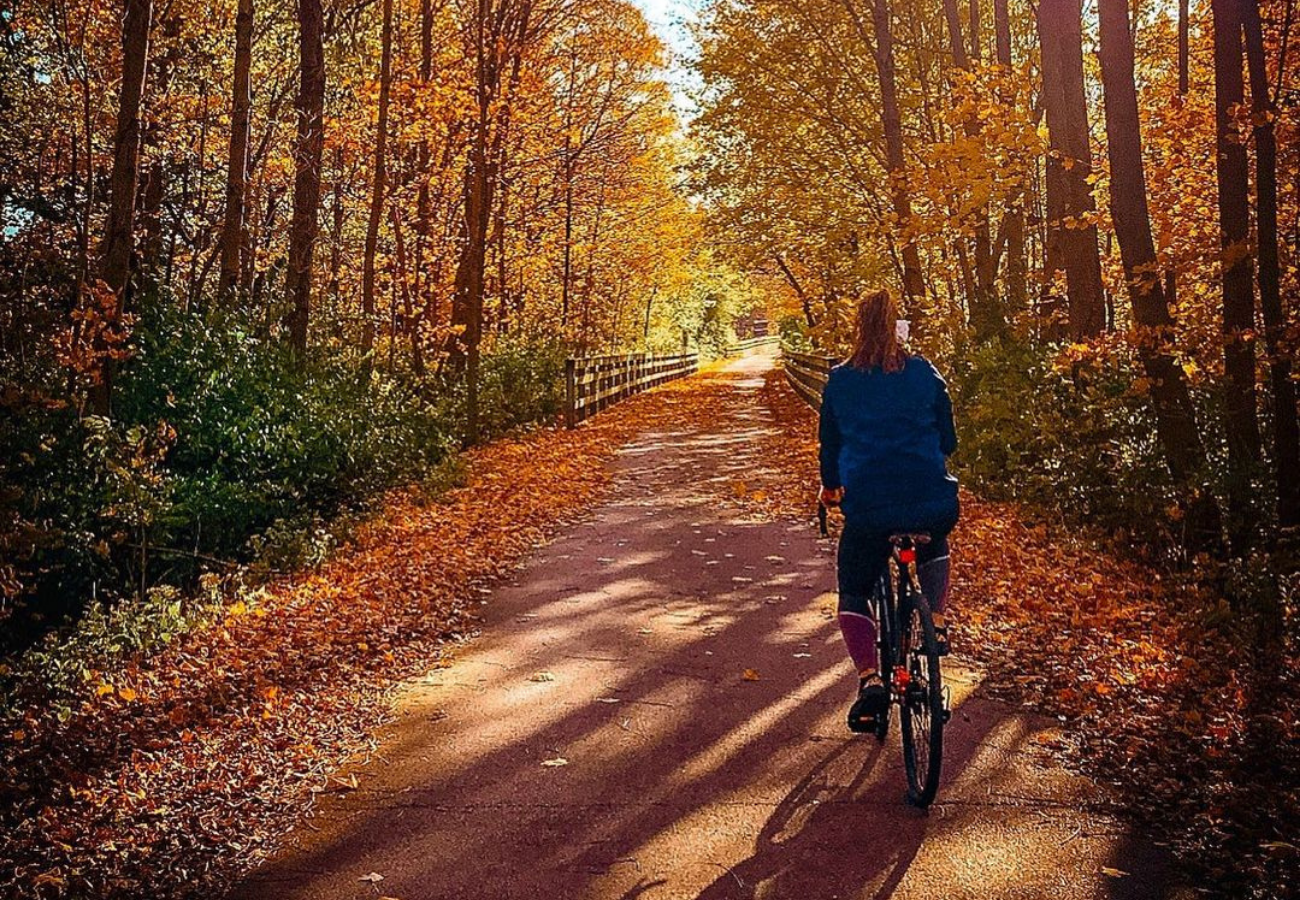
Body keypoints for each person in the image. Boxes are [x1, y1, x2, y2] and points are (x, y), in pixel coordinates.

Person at [817, 288, 959, 733]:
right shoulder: (924, 372)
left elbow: (831, 446)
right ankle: (933, 622)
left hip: (870, 507)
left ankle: (870, 678)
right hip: (931, 499)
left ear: (858, 328)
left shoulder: (841, 380)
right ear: (897, 326)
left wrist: (831, 488)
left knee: (854, 586)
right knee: (934, 538)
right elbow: (949, 438)